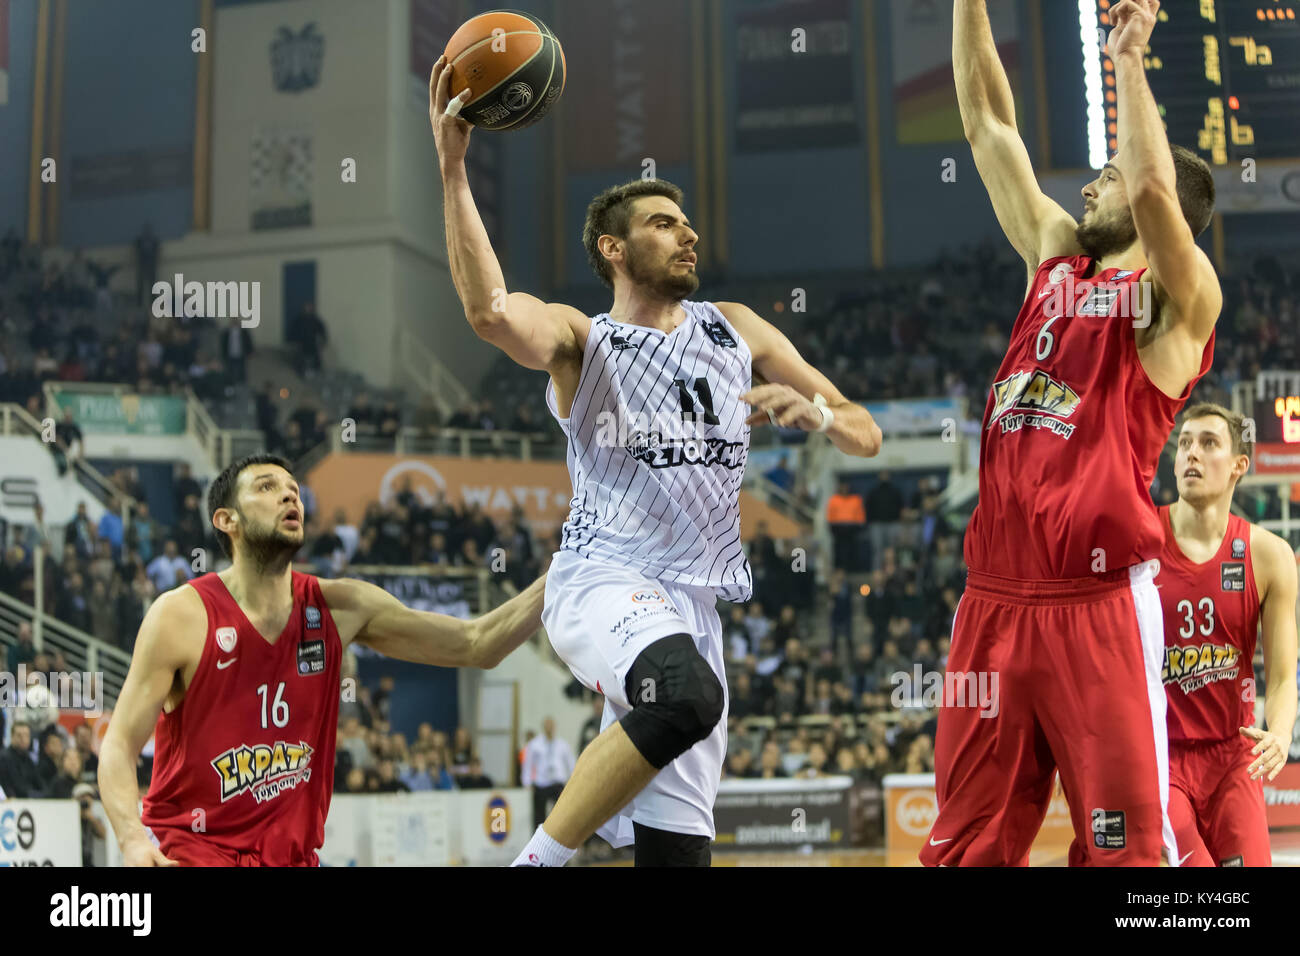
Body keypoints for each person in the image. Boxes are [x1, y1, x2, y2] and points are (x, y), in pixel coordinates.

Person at [433, 56, 882, 867]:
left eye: (687, 224)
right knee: (685, 694)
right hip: (604, 577)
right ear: (613, 247)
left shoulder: (736, 327)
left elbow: (864, 431)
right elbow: (490, 310)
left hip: (693, 602)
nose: (688, 234)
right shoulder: (585, 339)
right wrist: (454, 166)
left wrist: (813, 410)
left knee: (677, 851)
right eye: (664, 224)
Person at [923, 0, 1221, 867]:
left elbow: (1158, 189)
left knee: (1126, 850)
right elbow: (986, 123)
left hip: (1094, 607)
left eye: (1105, 173)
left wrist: (1128, 58)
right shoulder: (1054, 258)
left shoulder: (1176, 304)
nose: (1087, 185)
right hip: (991, 600)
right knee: (965, 845)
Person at [97, 453, 548, 867]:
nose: (289, 495)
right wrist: (133, 840)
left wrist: (567, 569)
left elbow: (478, 643)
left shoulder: (339, 607)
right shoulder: (180, 615)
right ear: (226, 520)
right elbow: (118, 744)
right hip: (193, 854)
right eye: (268, 487)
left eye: (293, 489)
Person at [1156, 404, 1297, 866]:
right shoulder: (1139, 541)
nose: (1191, 453)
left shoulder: (1271, 555)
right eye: (1185, 443)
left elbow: (1280, 678)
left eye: (1209, 443)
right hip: (1162, 757)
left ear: (1240, 465)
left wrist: (1278, 732)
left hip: (1234, 755)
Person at [522, 717, 575, 830]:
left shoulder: (562, 744)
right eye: (547, 726)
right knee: (539, 816)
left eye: (551, 726)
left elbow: (571, 763)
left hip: (557, 783)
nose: (550, 729)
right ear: (543, 727)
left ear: (555, 727)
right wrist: (527, 782)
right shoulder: (534, 744)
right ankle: (537, 841)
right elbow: (528, 764)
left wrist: (573, 781)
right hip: (541, 783)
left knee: (562, 814)